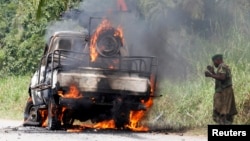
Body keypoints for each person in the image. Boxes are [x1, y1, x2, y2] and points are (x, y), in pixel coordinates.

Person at [205, 54, 237, 125]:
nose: (214, 63)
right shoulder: (223, 66)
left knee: (221, 112)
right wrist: (213, 72)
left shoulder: (222, 66)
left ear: (218, 60)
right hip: (224, 90)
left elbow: (222, 78)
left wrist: (210, 75)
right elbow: (220, 77)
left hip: (224, 91)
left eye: (214, 62)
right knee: (221, 112)